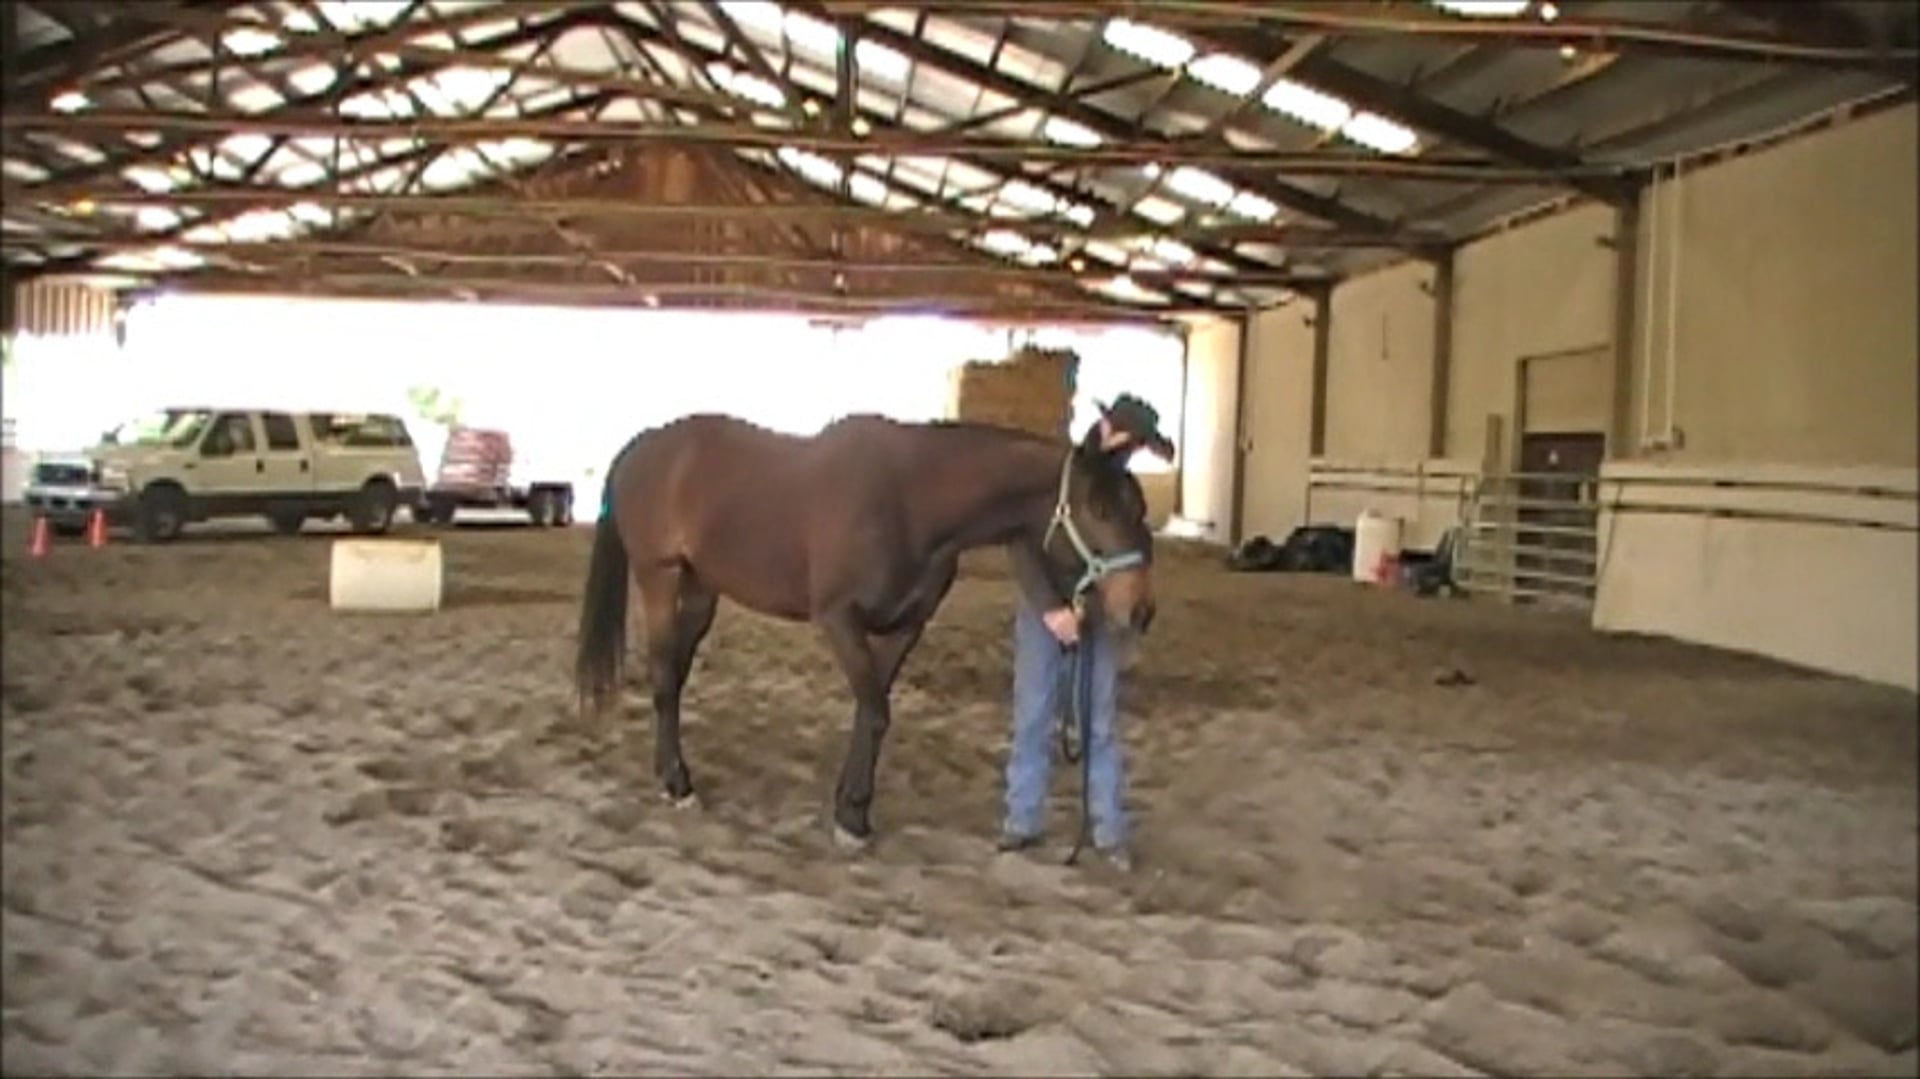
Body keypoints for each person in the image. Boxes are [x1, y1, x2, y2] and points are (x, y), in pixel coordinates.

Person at [998, 393, 1175, 872]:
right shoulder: (1051, 480)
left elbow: (1134, 556)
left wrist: (1098, 608)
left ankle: (1108, 828)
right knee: (1033, 714)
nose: (1128, 449)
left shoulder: (1126, 492)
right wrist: (1052, 608)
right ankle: (1022, 818)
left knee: (1099, 723)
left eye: (1136, 444)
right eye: (1126, 438)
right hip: (1045, 608)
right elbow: (1021, 543)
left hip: (1096, 615)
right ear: (1106, 429)